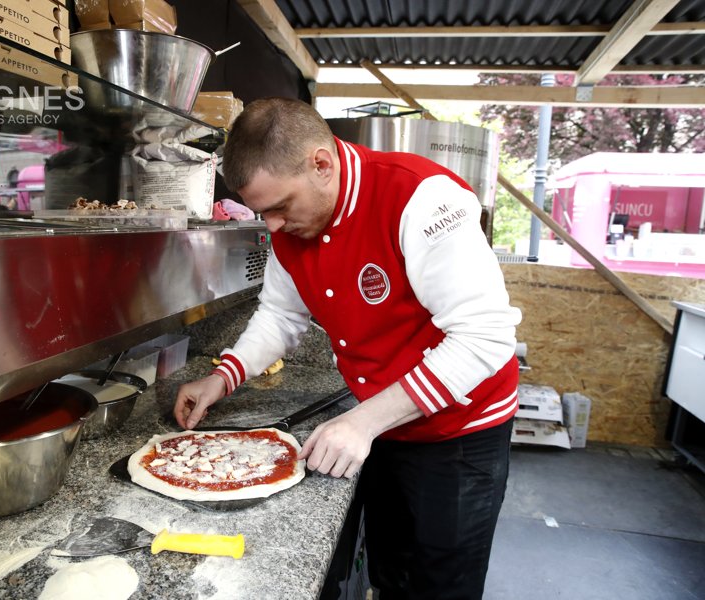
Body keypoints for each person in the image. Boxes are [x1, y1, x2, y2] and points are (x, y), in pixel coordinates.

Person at [173, 97, 521, 599]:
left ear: (321, 163)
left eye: (279, 207)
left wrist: (363, 421)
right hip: (385, 422)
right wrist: (221, 377)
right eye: (261, 212)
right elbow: (280, 315)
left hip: (460, 433)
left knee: (442, 586)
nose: (271, 226)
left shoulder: (420, 199)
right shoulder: (294, 226)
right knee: (390, 571)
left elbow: (483, 337)